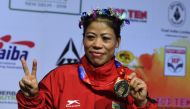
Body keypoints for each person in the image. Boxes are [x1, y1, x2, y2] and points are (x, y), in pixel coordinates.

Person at [16, 8, 158, 109]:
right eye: (90, 37)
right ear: (83, 40)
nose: (97, 44)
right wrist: (31, 97)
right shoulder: (60, 77)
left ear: (117, 42)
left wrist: (141, 104)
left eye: (106, 38)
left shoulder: (129, 81)